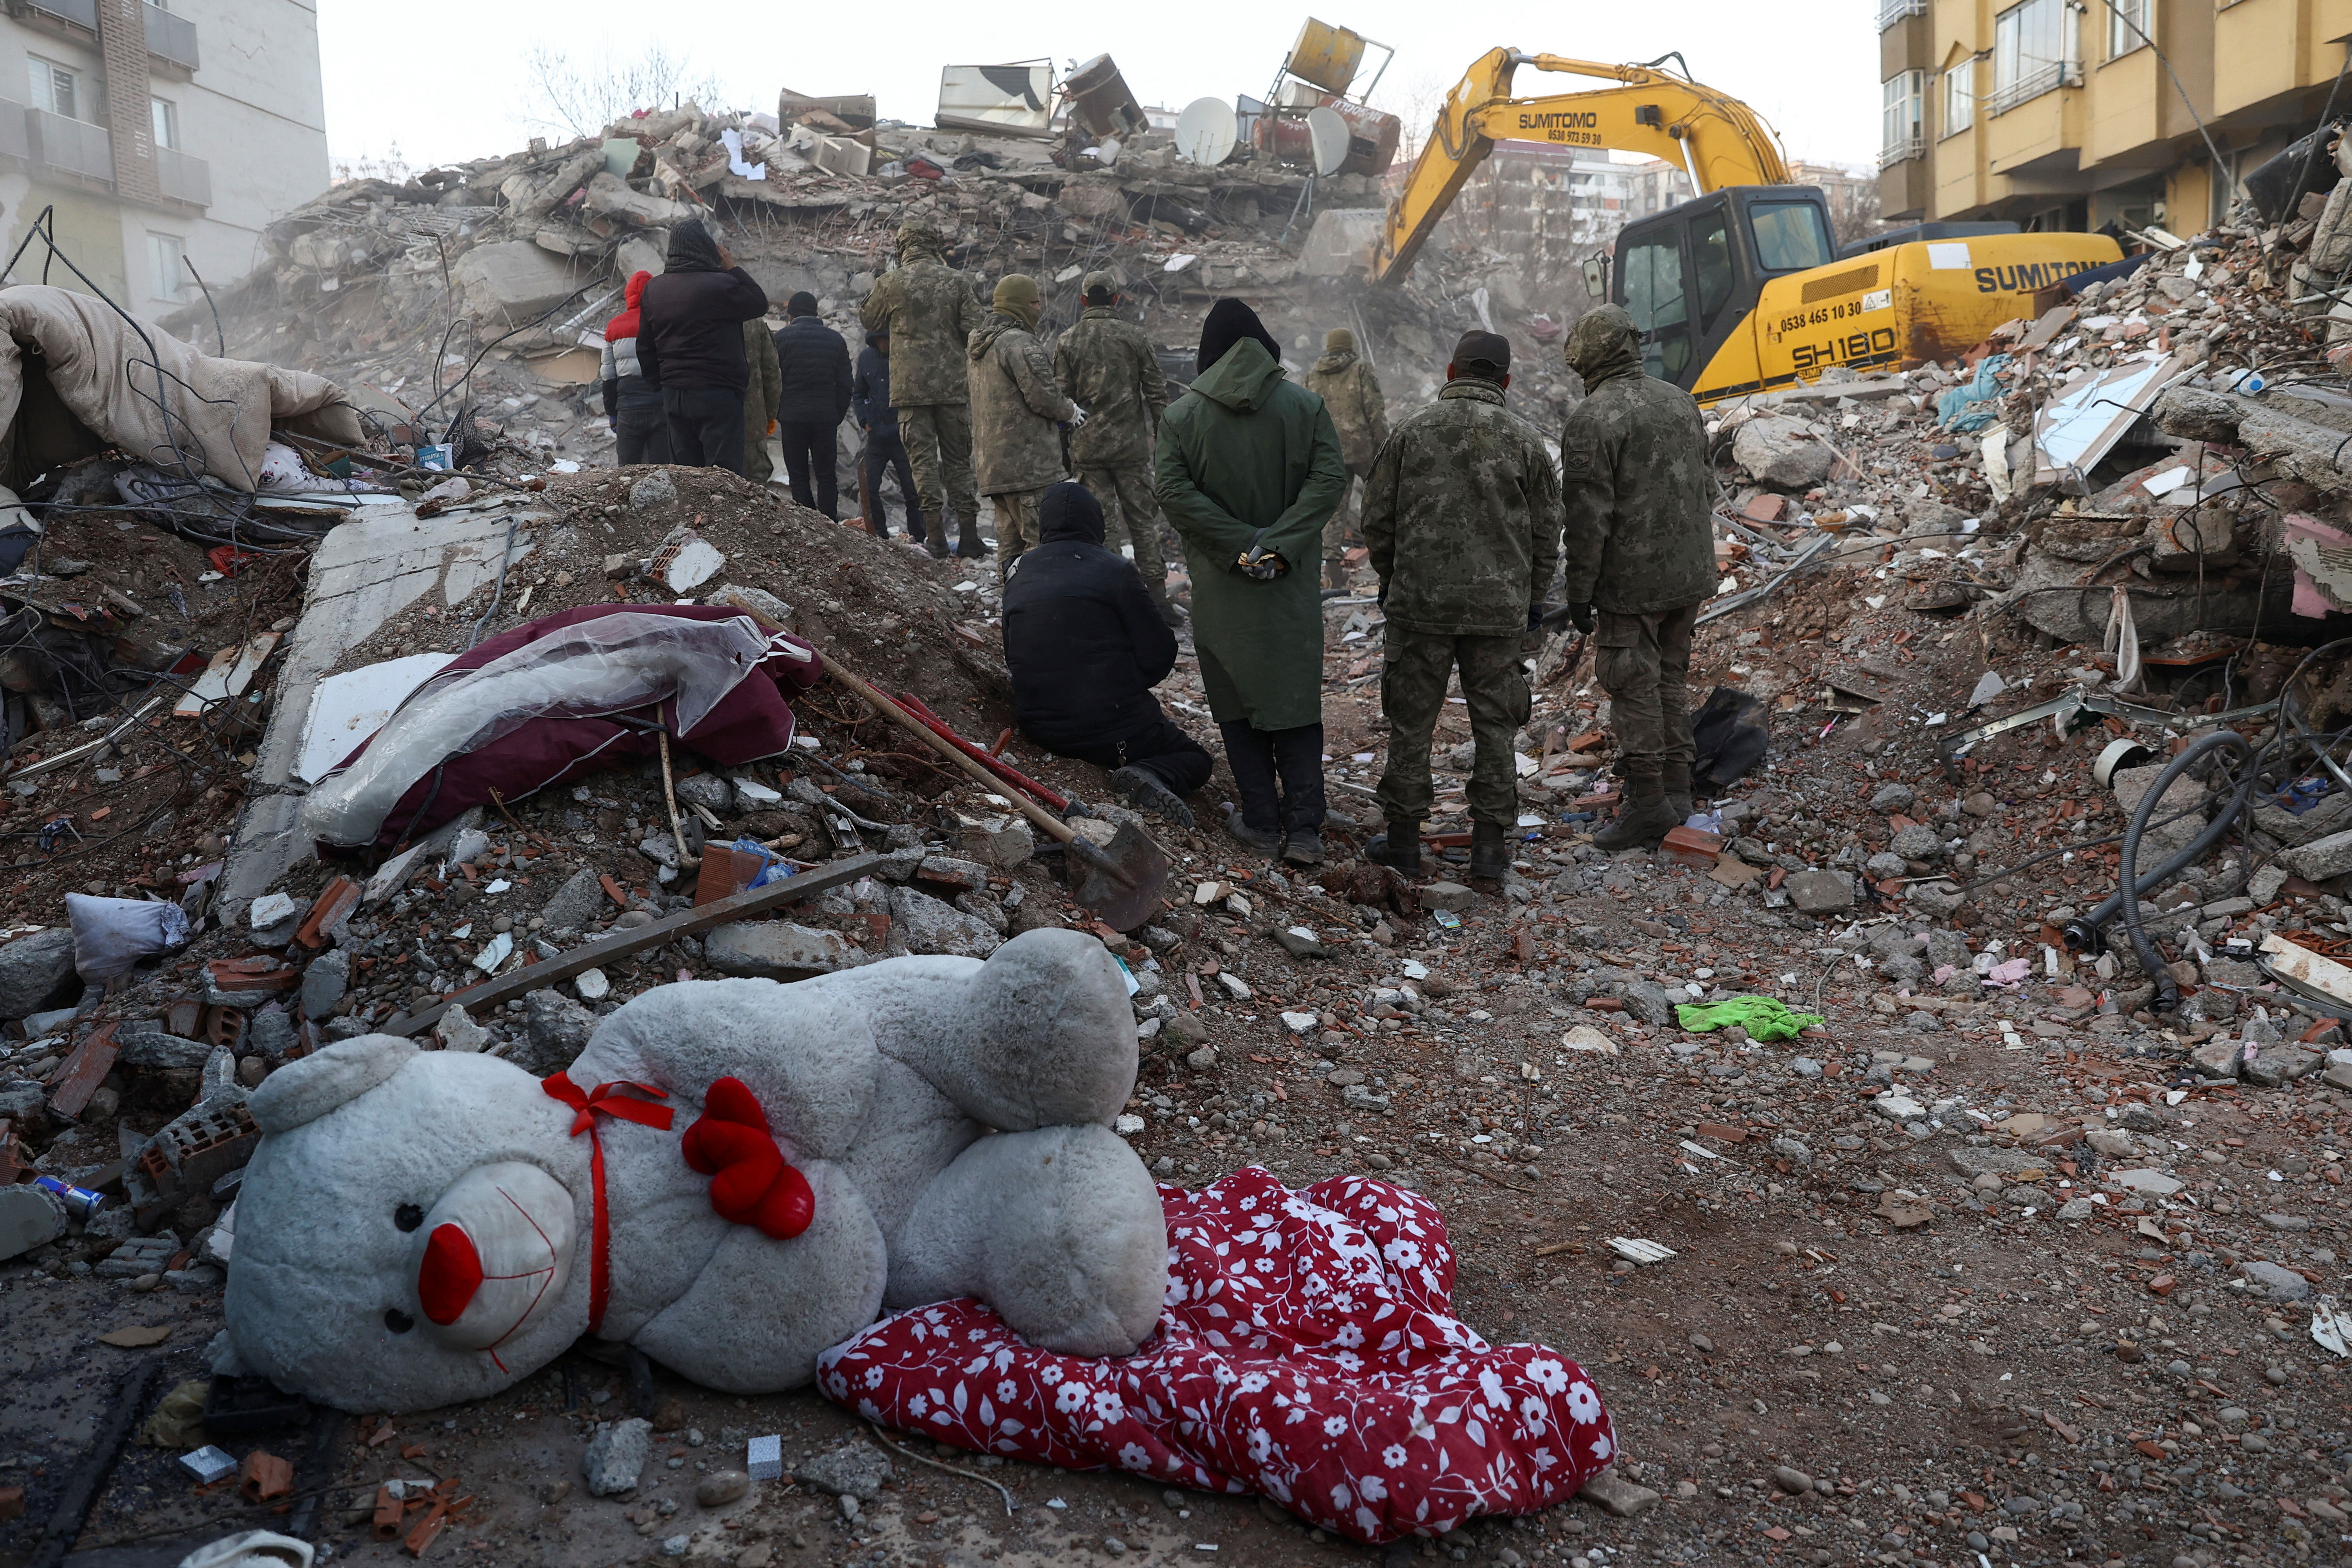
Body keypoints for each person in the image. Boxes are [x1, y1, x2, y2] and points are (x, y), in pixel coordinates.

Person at [1360, 329, 1562, 883]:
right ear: (1507, 381)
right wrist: (1533, 604)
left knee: (1411, 727)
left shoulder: (1410, 432)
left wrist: (1393, 579)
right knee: (1495, 730)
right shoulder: (1525, 441)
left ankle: (1403, 844)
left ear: (1450, 374)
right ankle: (1490, 852)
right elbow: (1548, 535)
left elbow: (1376, 520)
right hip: (1498, 613)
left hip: (1419, 608)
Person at [1155, 297, 1348, 866]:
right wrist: (1278, 544)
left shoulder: (1182, 417)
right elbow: (1329, 478)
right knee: (1293, 698)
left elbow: (1171, 492)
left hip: (1224, 582)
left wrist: (1241, 545)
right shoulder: (1306, 406)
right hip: (1287, 582)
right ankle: (1306, 830)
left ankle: (1263, 823)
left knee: (1236, 699)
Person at [1557, 303, 1715, 850]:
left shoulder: (1594, 418)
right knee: (1670, 679)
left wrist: (1580, 592)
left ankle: (1649, 807)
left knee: (1633, 687)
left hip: (1633, 584)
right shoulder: (1681, 402)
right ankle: (1678, 793)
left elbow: (1586, 519)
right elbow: (1707, 488)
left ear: (1586, 356)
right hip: (1690, 575)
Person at [1002, 480, 1211, 828]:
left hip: (1040, 727)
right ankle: (1146, 772)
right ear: (1096, 522)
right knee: (1197, 759)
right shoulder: (1115, 570)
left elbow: (1014, 653)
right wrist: (1123, 685)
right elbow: (1160, 652)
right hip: (1112, 730)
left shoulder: (1016, 571)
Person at [1053, 271, 1176, 624]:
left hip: (1088, 449)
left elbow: (1063, 399)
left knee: (1102, 526)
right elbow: (1157, 393)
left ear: (1083, 300)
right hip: (1131, 449)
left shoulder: (1068, 340)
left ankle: (1111, 599)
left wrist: (1065, 449)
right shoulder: (1134, 337)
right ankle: (1157, 598)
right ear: (1116, 299)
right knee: (1143, 523)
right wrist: (1165, 446)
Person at [859, 221, 986, 559]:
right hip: (953, 389)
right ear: (935, 246)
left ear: (902, 248)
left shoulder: (891, 283)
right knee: (959, 463)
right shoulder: (956, 281)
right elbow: (977, 330)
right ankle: (971, 537)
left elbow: (869, 320)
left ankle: (936, 539)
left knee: (922, 464)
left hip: (910, 392)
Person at [636, 219, 770, 474]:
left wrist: (663, 385)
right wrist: (733, 269)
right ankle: (721, 515)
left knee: (687, 478)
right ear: (706, 248)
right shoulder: (721, 285)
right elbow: (758, 303)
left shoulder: (654, 289)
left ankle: (691, 516)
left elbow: (645, 347)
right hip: (717, 393)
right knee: (724, 477)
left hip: (675, 395)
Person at [967, 273, 1076, 581]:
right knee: (1042, 545)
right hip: (1029, 467)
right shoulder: (1019, 342)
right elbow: (1042, 396)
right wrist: (1070, 411)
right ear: (1020, 305)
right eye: (1034, 303)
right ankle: (1042, 617)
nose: (1039, 309)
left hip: (994, 468)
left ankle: (1013, 617)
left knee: (1009, 550)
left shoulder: (980, 344)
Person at [1304, 326, 1389, 592]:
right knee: (1384, 498)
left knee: (1334, 509)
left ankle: (1333, 569)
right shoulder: (1361, 368)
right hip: (1363, 448)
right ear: (1350, 346)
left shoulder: (1312, 375)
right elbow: (1375, 410)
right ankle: (1390, 555)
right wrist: (1385, 444)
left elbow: (1306, 415)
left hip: (1329, 450)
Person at [771, 291, 852, 517]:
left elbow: (773, 380)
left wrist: (779, 411)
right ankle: (829, 523)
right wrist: (836, 415)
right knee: (827, 475)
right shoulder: (835, 339)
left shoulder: (781, 339)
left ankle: (809, 524)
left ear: (791, 314)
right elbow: (846, 385)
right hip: (824, 418)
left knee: (798, 476)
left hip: (792, 418)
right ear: (816, 312)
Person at [853, 330, 925, 545]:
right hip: (876, 436)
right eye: (879, 340)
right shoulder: (867, 357)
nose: (883, 344)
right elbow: (859, 393)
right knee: (869, 487)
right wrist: (864, 422)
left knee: (912, 491)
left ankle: (918, 538)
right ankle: (879, 535)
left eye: (887, 339)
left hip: (903, 436)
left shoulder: (907, 357)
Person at [599, 270, 671, 465]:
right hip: (661, 406)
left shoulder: (614, 327)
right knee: (661, 470)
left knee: (627, 472)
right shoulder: (665, 322)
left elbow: (608, 375)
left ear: (628, 295)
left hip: (628, 410)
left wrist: (612, 413)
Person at [740, 317, 782, 485]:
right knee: (754, 481)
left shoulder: (692, 312)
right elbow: (771, 372)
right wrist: (771, 415)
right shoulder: (753, 321)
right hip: (750, 420)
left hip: (700, 418)